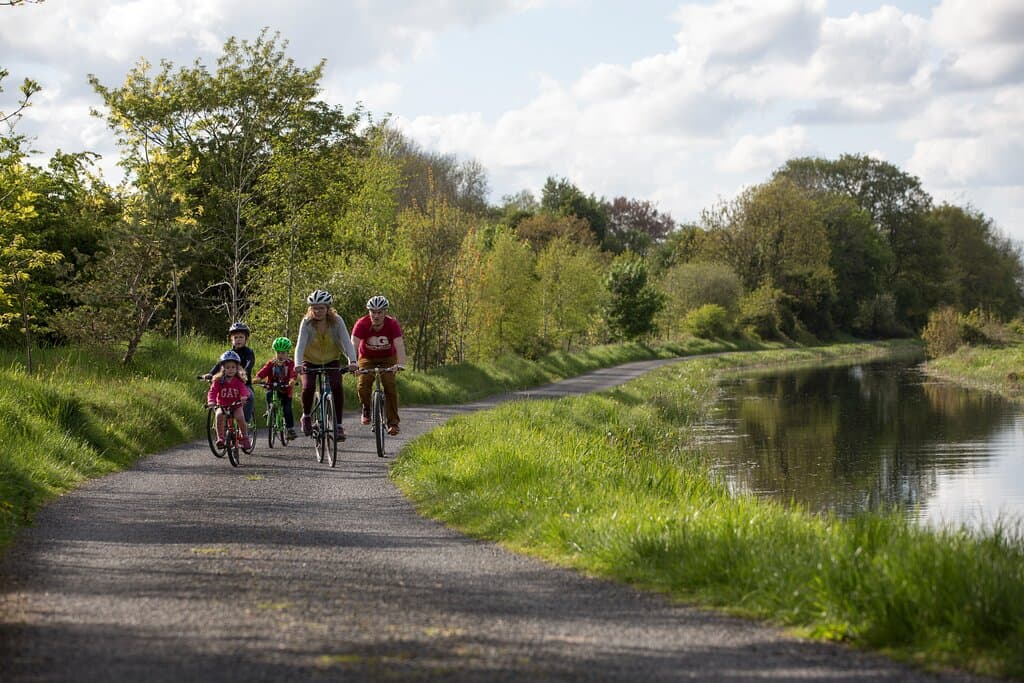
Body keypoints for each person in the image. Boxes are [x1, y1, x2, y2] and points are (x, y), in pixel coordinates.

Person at [293, 290, 358, 439]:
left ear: (328, 308)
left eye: (321, 308)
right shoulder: (307, 322)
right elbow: (300, 345)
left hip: (331, 360)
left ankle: (339, 425)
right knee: (308, 386)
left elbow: (347, 343)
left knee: (336, 386)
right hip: (309, 361)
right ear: (311, 309)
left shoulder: (337, 321)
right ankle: (306, 416)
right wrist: (297, 364)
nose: (318, 311)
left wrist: (352, 361)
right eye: (314, 308)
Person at [351, 295, 406, 435]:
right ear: (369, 312)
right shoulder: (361, 324)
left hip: (388, 358)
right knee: (363, 383)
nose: (376, 315)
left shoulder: (392, 324)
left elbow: (399, 344)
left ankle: (393, 423)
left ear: (385, 312)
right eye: (373, 312)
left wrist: (400, 364)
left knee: (389, 384)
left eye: (380, 312)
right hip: (367, 358)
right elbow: (353, 345)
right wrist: (352, 364)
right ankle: (366, 409)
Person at [204, 322, 256, 426]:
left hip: (243, 384)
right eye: (235, 337)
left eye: (241, 337)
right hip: (227, 384)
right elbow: (219, 365)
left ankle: (245, 422)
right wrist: (210, 374)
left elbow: (250, 364)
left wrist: (243, 373)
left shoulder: (249, 352)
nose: (238, 340)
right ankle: (222, 422)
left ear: (246, 339)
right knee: (217, 396)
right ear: (231, 339)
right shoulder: (229, 354)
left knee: (250, 397)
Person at [206, 350, 254, 451]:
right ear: (222, 368)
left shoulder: (239, 381)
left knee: (240, 417)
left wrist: (244, 397)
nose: (230, 370)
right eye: (227, 367)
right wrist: (211, 401)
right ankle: (221, 438)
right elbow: (212, 392)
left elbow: (244, 390)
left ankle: (244, 437)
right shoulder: (218, 381)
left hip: (236, 405)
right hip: (222, 405)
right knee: (219, 415)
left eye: (233, 367)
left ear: (237, 368)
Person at [255, 336, 298, 440]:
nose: (281, 355)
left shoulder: (290, 363)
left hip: (285, 390)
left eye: (283, 353)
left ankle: (290, 429)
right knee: (268, 395)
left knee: (287, 409)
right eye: (278, 352)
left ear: (287, 353)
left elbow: (293, 373)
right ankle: (269, 410)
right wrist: (258, 377)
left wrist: (292, 380)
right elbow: (264, 371)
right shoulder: (272, 363)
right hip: (273, 387)